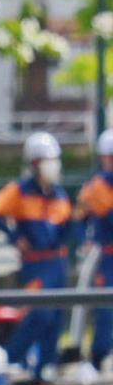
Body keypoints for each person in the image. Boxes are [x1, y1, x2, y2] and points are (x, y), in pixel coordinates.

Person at [0, 131, 73, 376]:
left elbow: (65, 228)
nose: (53, 165)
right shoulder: (19, 191)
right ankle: (12, 361)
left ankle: (45, 370)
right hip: (35, 265)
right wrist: (15, 237)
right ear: (34, 163)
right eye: (47, 160)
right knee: (38, 314)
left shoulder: (59, 195)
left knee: (55, 318)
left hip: (57, 264)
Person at [73, 129, 113, 369]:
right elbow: (79, 218)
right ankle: (98, 359)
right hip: (108, 255)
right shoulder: (96, 187)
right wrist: (84, 242)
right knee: (105, 310)